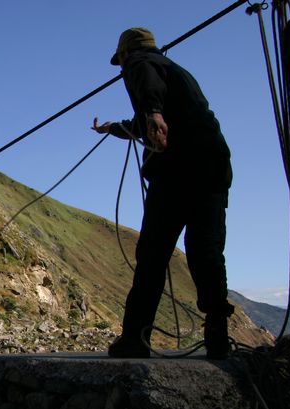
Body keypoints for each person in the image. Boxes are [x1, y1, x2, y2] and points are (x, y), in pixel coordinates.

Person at [92, 28, 234, 359]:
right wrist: (112, 128)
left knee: (153, 254)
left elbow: (147, 89)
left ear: (125, 54)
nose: (122, 67)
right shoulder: (177, 75)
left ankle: (135, 337)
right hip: (213, 166)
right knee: (207, 250)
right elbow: (143, 124)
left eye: (121, 61)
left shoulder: (140, 63)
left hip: (177, 172)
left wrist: (153, 112)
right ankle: (218, 336)